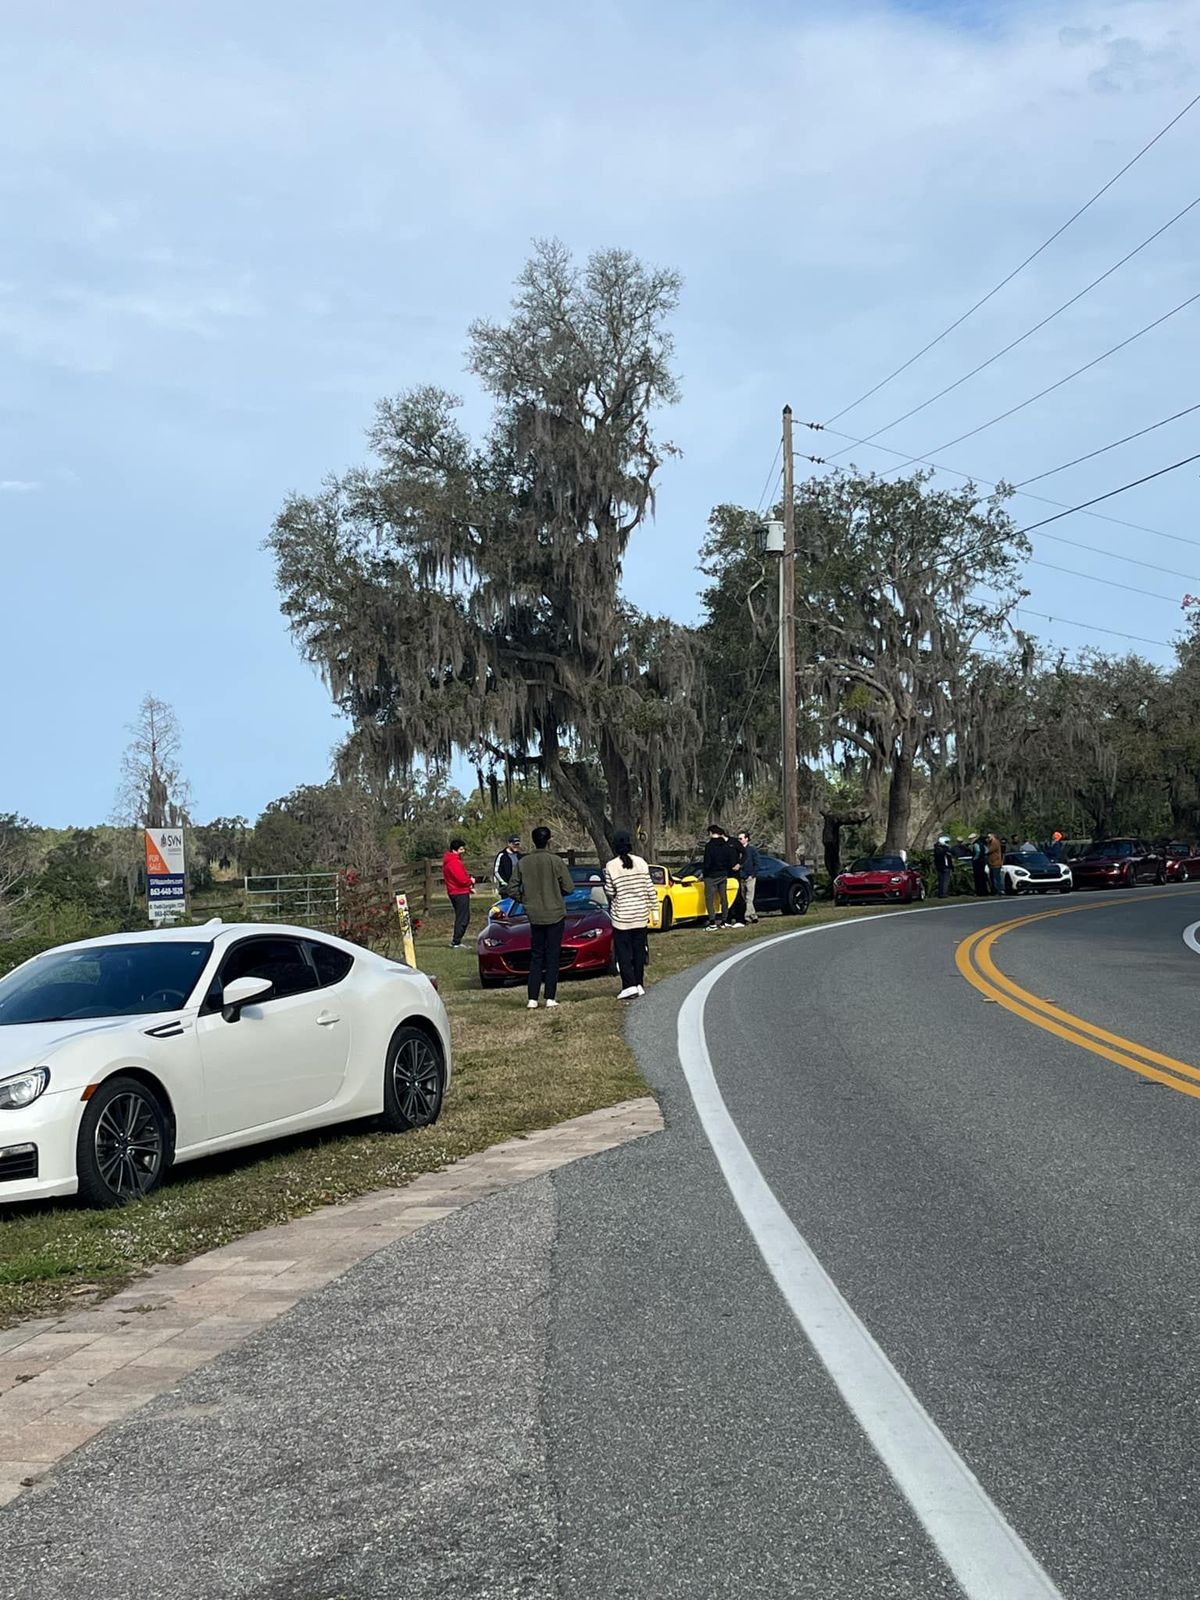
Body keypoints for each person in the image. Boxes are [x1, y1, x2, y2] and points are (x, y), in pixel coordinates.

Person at [511, 825, 575, 1009]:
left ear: (533, 840)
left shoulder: (523, 862)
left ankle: (532, 998)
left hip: (534, 913)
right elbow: (569, 887)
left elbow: (511, 888)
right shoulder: (555, 861)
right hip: (555, 912)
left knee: (536, 955)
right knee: (553, 955)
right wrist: (557, 892)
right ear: (548, 840)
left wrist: (525, 899)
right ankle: (550, 997)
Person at [604, 831, 658, 999]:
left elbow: (611, 891)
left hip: (622, 916)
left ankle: (629, 985)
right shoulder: (641, 863)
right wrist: (654, 910)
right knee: (639, 950)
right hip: (640, 913)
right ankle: (640, 983)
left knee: (623, 952)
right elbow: (650, 889)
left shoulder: (611, 866)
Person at [702, 824, 737, 930]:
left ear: (711, 833)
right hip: (723, 874)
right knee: (724, 897)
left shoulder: (709, 846)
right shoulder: (726, 845)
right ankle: (724, 920)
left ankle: (712, 922)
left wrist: (704, 872)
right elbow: (731, 859)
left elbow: (707, 862)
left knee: (709, 899)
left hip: (711, 875)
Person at [442, 838, 475, 949]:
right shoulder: (454, 862)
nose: (463, 851)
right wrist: (470, 881)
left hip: (456, 891)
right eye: (461, 849)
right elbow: (461, 879)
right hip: (459, 893)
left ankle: (457, 941)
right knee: (463, 918)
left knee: (462, 916)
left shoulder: (451, 861)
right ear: (455, 850)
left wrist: (469, 888)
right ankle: (456, 942)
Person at [736, 830, 761, 923]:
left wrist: (753, 874)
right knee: (744, 898)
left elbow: (757, 863)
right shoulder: (737, 850)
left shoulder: (752, 850)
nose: (739, 840)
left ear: (746, 839)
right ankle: (753, 915)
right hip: (741, 877)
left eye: (741, 838)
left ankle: (746, 916)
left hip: (750, 876)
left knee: (749, 897)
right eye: (738, 838)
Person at [933, 834, 954, 899]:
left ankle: (941, 893)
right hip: (945, 867)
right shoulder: (944, 850)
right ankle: (944, 893)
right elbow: (948, 858)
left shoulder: (936, 849)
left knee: (941, 880)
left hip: (939, 867)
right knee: (945, 881)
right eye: (947, 842)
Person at [986, 830, 1004, 897]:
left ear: (993, 836)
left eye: (989, 836)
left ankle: (998, 891)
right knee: (993, 877)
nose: (988, 838)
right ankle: (995, 890)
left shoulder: (994, 842)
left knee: (996, 878)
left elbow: (989, 850)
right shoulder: (992, 842)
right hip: (992, 863)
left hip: (995, 863)